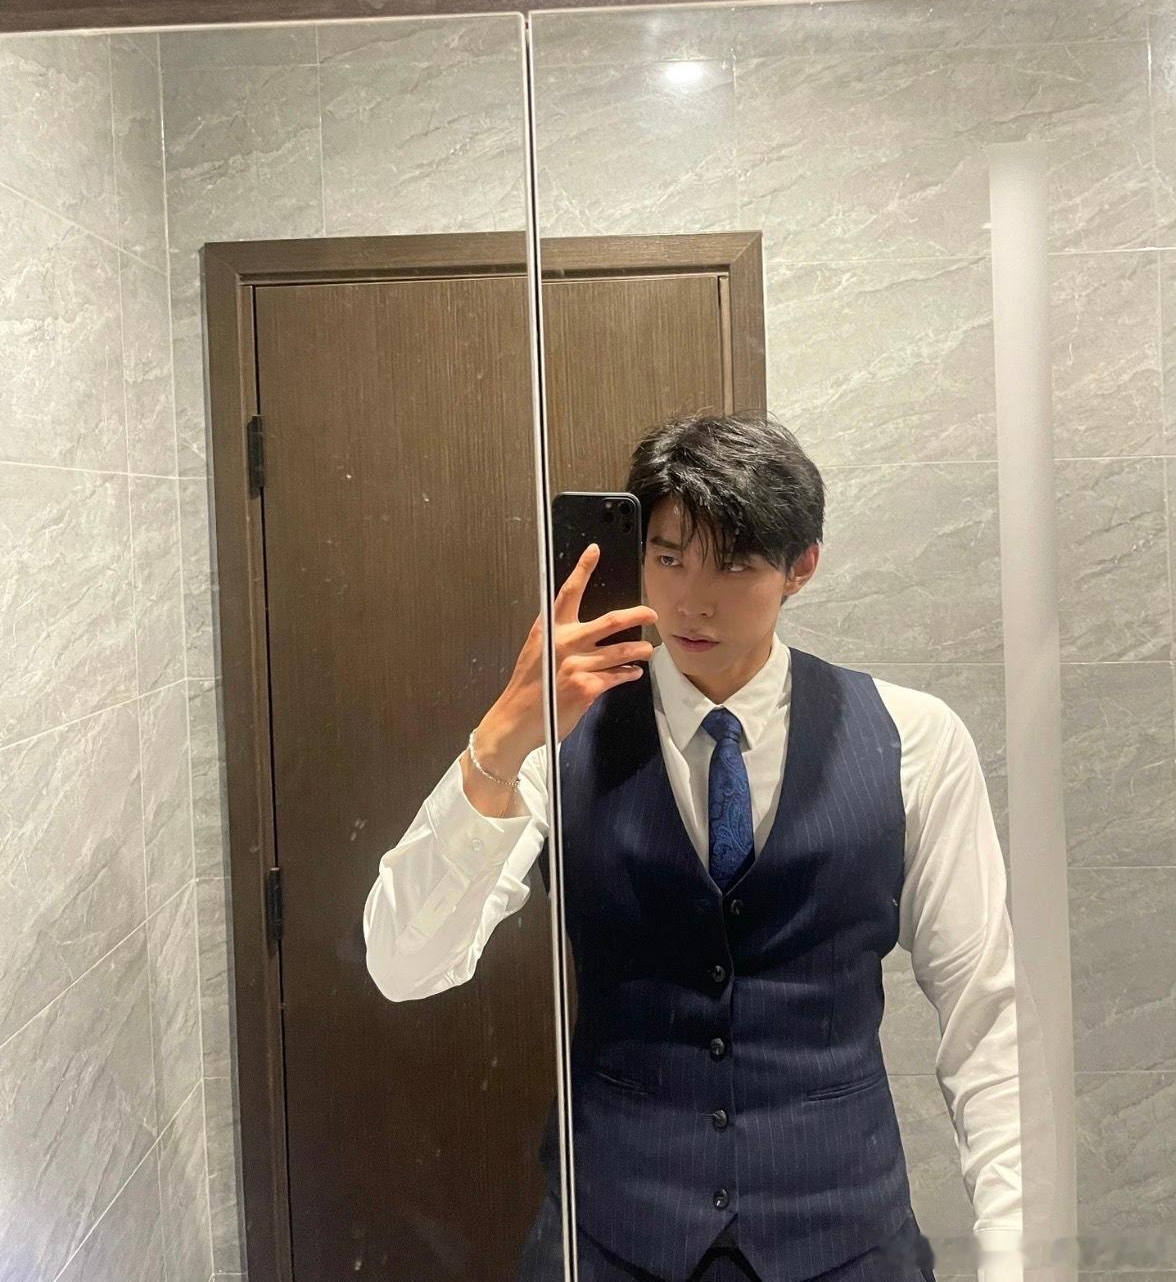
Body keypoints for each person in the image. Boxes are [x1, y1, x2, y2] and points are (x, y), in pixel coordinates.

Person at [364, 413, 1020, 1282]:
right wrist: (501, 739)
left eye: (733, 565)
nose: (691, 601)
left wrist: (1016, 1252)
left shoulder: (916, 739)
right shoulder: (560, 740)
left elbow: (986, 1014)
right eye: (669, 558)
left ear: (802, 567)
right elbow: (402, 966)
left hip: (846, 1239)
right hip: (609, 1236)